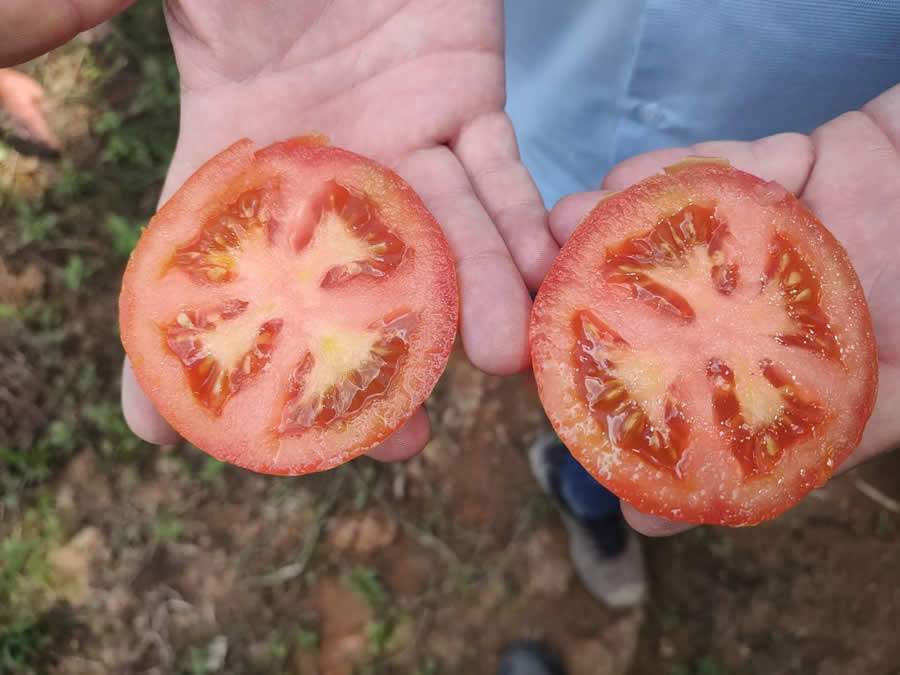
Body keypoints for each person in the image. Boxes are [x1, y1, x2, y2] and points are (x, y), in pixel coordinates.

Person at [3, 4, 898, 671]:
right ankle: (585, 485)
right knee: (544, 249)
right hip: (488, 61)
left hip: (830, 78)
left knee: (600, 376)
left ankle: (587, 486)